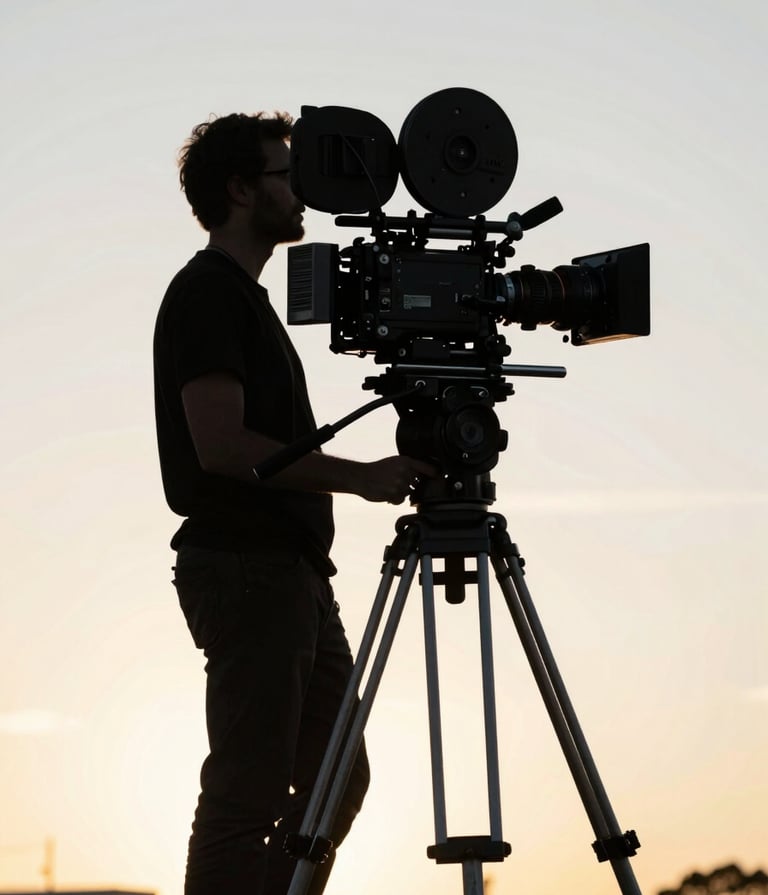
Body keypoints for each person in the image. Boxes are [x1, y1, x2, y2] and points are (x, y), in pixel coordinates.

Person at [153, 111, 436, 895]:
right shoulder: (208, 293)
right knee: (246, 791)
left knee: (336, 781)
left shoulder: (242, 298)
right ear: (243, 189)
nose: (300, 189)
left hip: (294, 573)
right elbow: (220, 445)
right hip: (249, 568)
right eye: (284, 174)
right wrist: (360, 475)